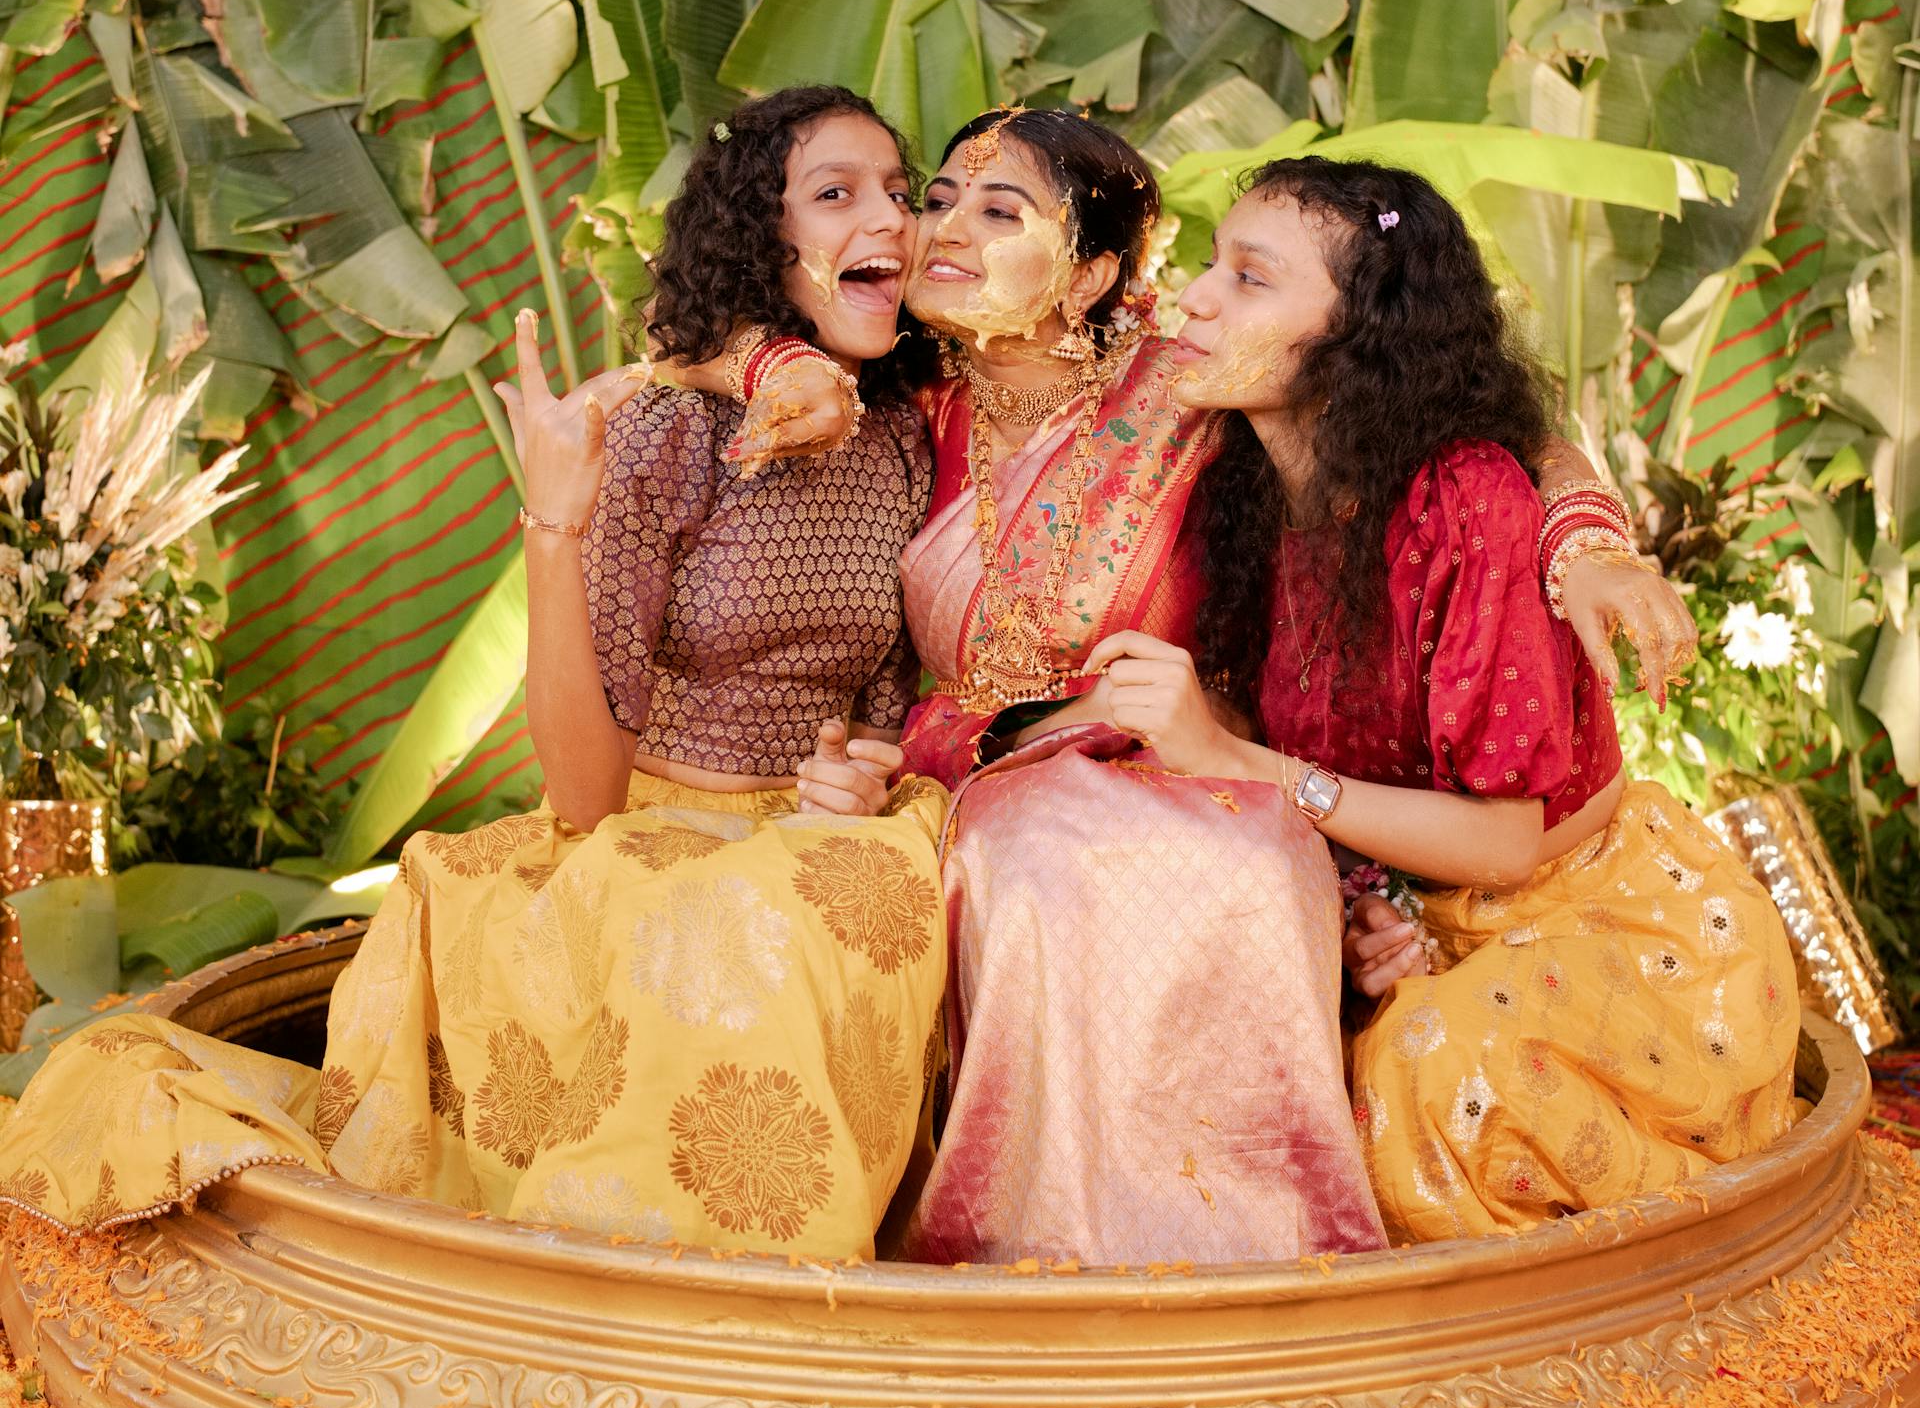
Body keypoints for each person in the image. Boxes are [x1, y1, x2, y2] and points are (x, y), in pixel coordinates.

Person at [0, 88, 948, 1260]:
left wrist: (868, 769)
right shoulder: (661, 435)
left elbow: (894, 700)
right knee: (736, 926)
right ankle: (676, 1310)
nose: (891, 220)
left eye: (899, 192)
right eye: (837, 193)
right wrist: (553, 525)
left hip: (821, 845)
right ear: (761, 231)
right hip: (650, 851)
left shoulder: (907, 435)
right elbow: (586, 796)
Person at [748, 106, 1688, 1270]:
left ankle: (1230, 1261)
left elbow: (1482, 421)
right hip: (987, 767)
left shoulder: (1178, 375)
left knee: (1226, 866)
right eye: (937, 201)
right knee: (1021, 866)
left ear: (1089, 277)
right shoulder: (891, 405)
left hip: (1206, 762)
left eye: (999, 211)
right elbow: (704, 350)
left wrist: (1586, 540)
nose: (945, 232)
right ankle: (1031, 1255)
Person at [1082, 155, 1799, 1246]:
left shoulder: (1461, 503)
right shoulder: (1236, 482)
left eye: (1251, 277)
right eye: (1213, 264)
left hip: (1585, 920)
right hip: (1401, 907)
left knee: (1419, 1084)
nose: (1196, 295)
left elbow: (1506, 844)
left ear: (1357, 333)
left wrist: (1240, 766)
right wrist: (1373, 905)